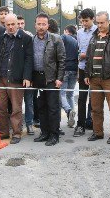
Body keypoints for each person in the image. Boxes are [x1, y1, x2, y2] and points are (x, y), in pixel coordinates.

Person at [0, 13, 33, 144]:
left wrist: (27, 77)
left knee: (16, 108)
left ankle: (17, 133)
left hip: (16, 79)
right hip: (1, 78)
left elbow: (29, 59)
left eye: (13, 24)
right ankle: (4, 132)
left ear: (18, 24)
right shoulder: (0, 38)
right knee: (0, 106)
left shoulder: (25, 38)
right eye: (8, 25)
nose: (11, 27)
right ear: (4, 25)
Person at [84, 11, 110, 143]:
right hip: (94, 78)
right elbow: (89, 56)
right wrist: (87, 73)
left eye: (102, 22)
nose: (99, 25)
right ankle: (98, 133)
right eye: (98, 22)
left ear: (109, 22)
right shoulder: (93, 36)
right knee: (95, 108)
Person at [32, 13, 66, 146]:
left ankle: (54, 135)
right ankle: (44, 133)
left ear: (48, 25)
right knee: (41, 107)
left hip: (52, 79)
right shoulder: (32, 40)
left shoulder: (56, 39)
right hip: (37, 78)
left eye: (43, 24)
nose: (41, 27)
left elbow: (62, 60)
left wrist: (59, 78)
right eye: (39, 24)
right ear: (35, 25)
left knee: (53, 108)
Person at [74, 8, 96, 136]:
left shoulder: (97, 31)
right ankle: (80, 125)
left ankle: (92, 122)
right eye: (82, 21)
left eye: (86, 21)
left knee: (94, 99)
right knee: (82, 98)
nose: (84, 23)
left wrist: (86, 55)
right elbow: (78, 49)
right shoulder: (79, 32)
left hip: (94, 69)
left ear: (92, 19)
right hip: (82, 68)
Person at [60, 24, 79, 128]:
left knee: (61, 94)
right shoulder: (76, 41)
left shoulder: (64, 37)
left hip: (65, 69)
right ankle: (71, 118)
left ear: (66, 31)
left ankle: (68, 110)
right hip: (74, 69)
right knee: (70, 94)